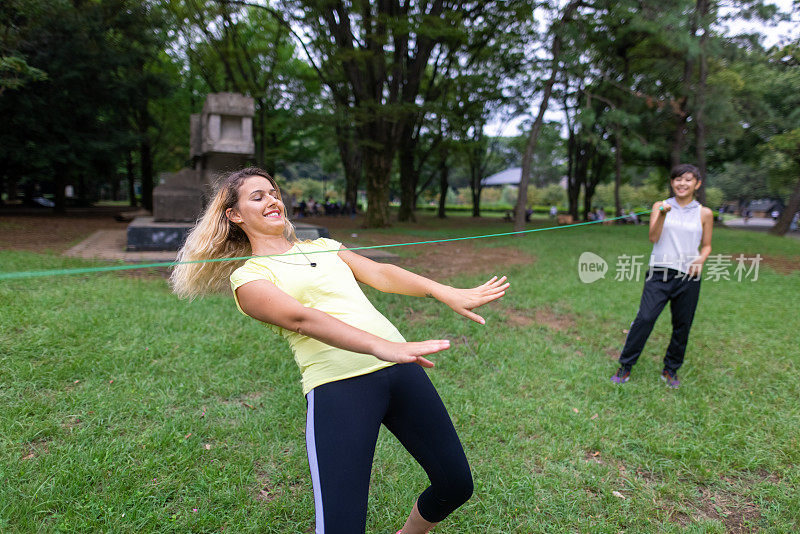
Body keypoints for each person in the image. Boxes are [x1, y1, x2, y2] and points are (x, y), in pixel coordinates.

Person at [170, 167, 509, 534]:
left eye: (273, 192)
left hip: (401, 371)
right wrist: (383, 346)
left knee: (455, 485)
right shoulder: (249, 278)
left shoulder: (324, 247)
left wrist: (444, 291)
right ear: (234, 216)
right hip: (339, 388)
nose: (272, 199)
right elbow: (303, 319)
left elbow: (381, 273)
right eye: (258, 196)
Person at [611, 164, 713, 389]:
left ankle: (670, 369)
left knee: (682, 324)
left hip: (689, 276)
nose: (682, 183)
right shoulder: (661, 206)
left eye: (688, 180)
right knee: (645, 318)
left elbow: (706, 246)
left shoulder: (704, 213)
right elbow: (653, 237)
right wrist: (663, 215)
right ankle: (625, 365)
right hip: (660, 272)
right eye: (678, 179)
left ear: (697, 184)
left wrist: (700, 260)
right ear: (672, 182)